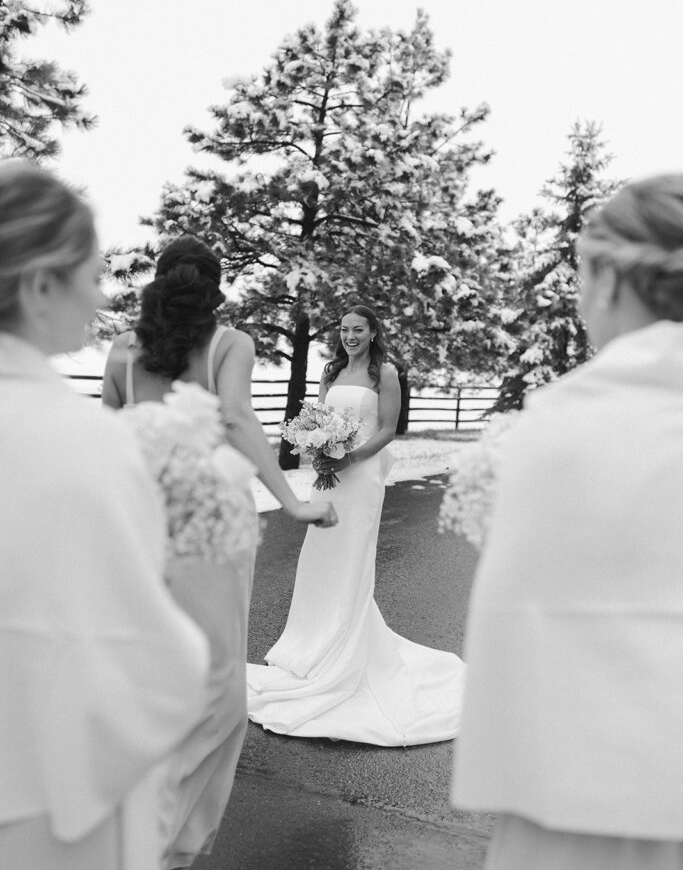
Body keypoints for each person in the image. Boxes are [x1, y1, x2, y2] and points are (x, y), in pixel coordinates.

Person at [452, 174, 683, 869]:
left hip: (582, 802)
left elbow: (525, 616)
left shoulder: (563, 427)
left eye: (583, 277)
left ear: (609, 280)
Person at [0, 162, 210, 870]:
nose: (99, 298)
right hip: (39, 803)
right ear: (39, 286)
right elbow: (141, 651)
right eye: (91, 276)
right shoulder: (85, 444)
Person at [102, 235, 336, 869]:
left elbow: (109, 431)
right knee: (217, 687)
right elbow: (235, 417)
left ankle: (127, 821)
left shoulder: (122, 348)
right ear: (214, 284)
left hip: (140, 520)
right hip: (209, 522)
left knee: (145, 673)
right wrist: (292, 501)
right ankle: (160, 839)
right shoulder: (230, 344)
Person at [247, 304, 465, 745]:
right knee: (320, 556)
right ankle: (310, 644)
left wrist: (349, 457)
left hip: (361, 477)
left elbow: (386, 430)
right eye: (345, 329)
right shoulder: (331, 372)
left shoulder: (385, 373)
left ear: (372, 332)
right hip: (328, 477)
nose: (350, 336)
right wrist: (316, 447)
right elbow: (318, 417)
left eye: (358, 329)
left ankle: (344, 651)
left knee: (350, 559)